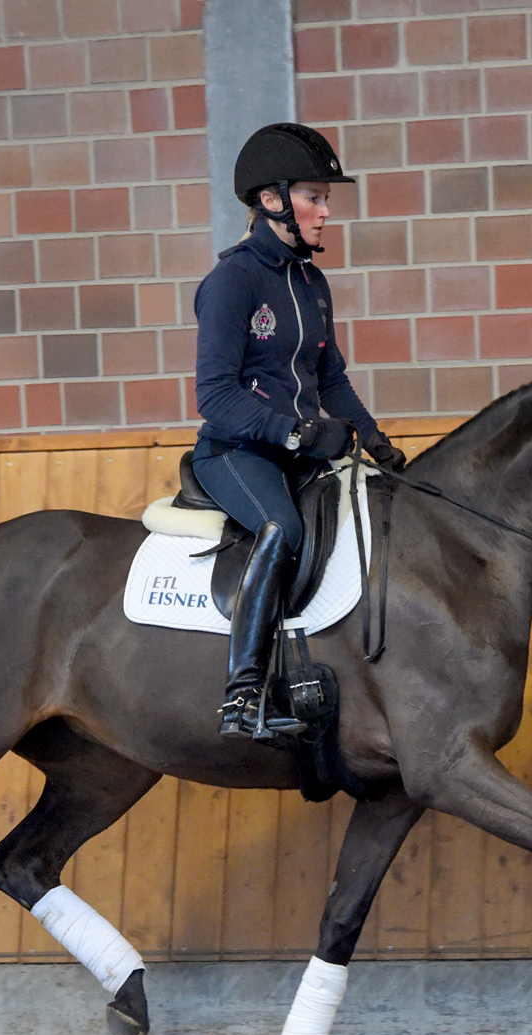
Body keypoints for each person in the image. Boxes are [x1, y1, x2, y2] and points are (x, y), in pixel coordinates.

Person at [192, 123, 406, 740]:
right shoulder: (233, 282)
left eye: (327, 199)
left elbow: (331, 378)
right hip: (238, 453)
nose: (326, 212)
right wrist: (297, 434)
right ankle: (243, 692)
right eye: (315, 197)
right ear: (272, 201)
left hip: (300, 451)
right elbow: (215, 396)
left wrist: (375, 440)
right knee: (281, 526)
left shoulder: (312, 283)